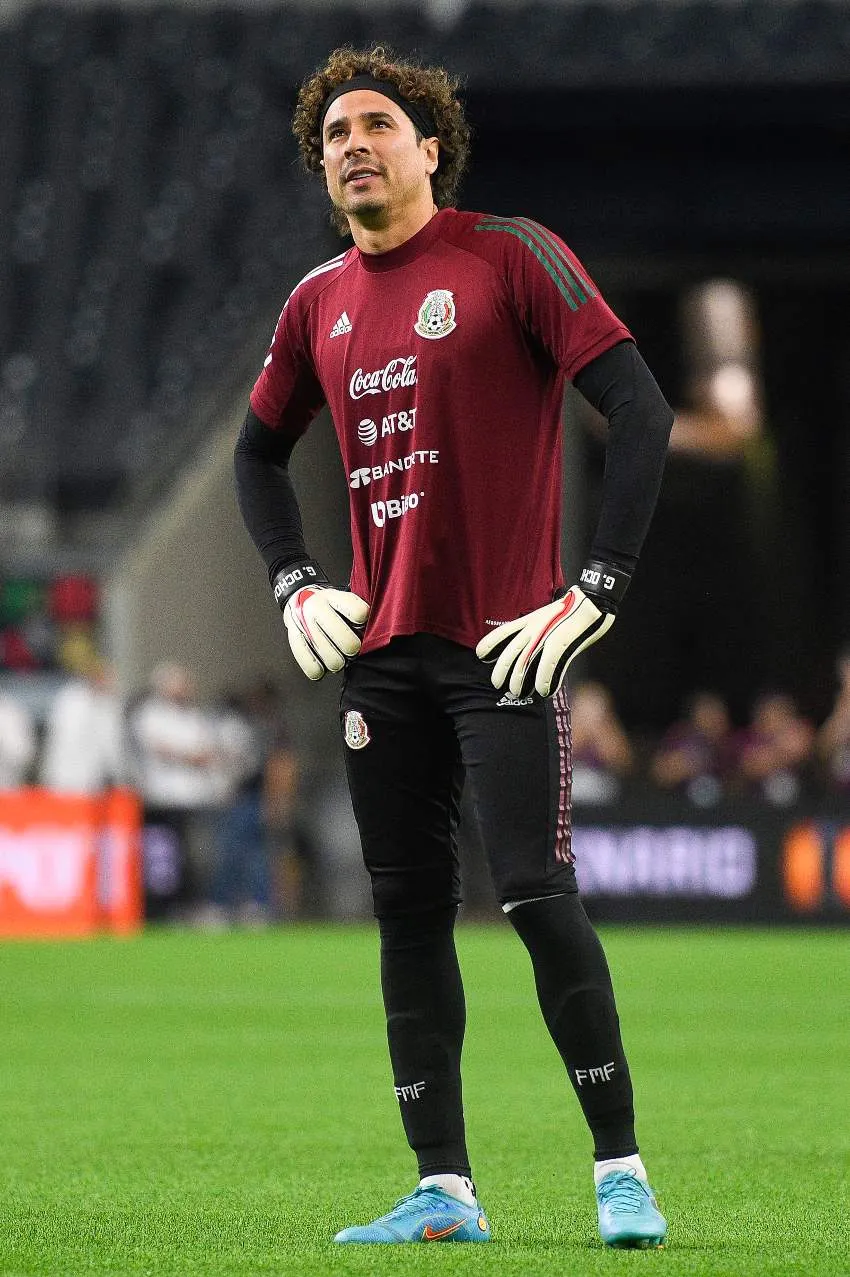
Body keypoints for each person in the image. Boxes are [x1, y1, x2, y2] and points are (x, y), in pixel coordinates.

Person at [234, 46, 672, 1248]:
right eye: (333, 135)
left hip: (503, 648)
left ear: (431, 148)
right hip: (379, 658)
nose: (353, 143)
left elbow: (640, 410)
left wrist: (597, 584)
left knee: (535, 895)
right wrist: (289, 583)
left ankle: (620, 1171)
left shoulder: (508, 254)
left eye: (377, 124)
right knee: (409, 916)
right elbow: (254, 453)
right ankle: (443, 1188)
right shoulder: (314, 301)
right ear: (323, 173)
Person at [650, 690, 735, 806]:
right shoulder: (680, 738)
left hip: (727, 813)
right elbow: (659, 774)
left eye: (715, 715)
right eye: (705, 715)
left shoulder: (734, 744)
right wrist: (677, 767)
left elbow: (740, 785)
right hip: (682, 812)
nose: (711, 721)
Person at [569, 681, 633, 806]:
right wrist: (581, 730)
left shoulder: (607, 727)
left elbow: (624, 764)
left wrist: (598, 731)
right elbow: (557, 759)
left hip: (600, 786)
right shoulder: (563, 724)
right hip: (569, 785)